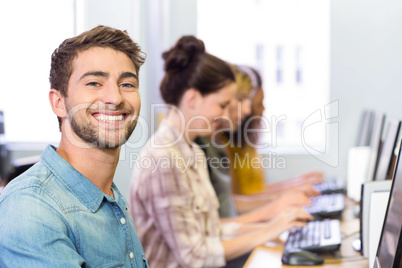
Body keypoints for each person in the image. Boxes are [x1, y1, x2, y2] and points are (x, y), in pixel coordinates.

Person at [129, 36, 312, 268]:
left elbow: (213, 230)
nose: (226, 113)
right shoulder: (162, 159)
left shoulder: (192, 152)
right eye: (223, 105)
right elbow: (195, 256)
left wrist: (275, 225)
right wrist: (269, 229)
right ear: (193, 98)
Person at [0, 25, 149, 267]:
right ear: (59, 102)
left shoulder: (108, 195)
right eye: (94, 83)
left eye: (127, 84)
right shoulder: (31, 208)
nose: (115, 97)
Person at [227, 66, 323, 200]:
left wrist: (296, 183)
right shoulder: (226, 146)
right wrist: (290, 192)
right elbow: (239, 200)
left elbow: (257, 190)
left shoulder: (247, 144)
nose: (248, 110)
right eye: (259, 104)